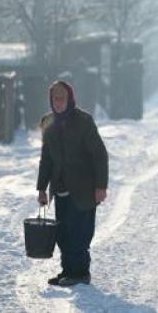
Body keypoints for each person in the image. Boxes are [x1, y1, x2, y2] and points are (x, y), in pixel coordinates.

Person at [36, 80, 109, 287]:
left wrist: (100, 186)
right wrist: (41, 188)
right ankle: (67, 271)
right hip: (60, 188)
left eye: (61, 99)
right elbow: (47, 158)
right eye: (54, 99)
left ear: (69, 99)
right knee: (64, 233)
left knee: (81, 232)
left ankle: (81, 273)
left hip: (84, 188)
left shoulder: (84, 121)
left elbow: (99, 155)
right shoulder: (48, 122)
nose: (58, 103)